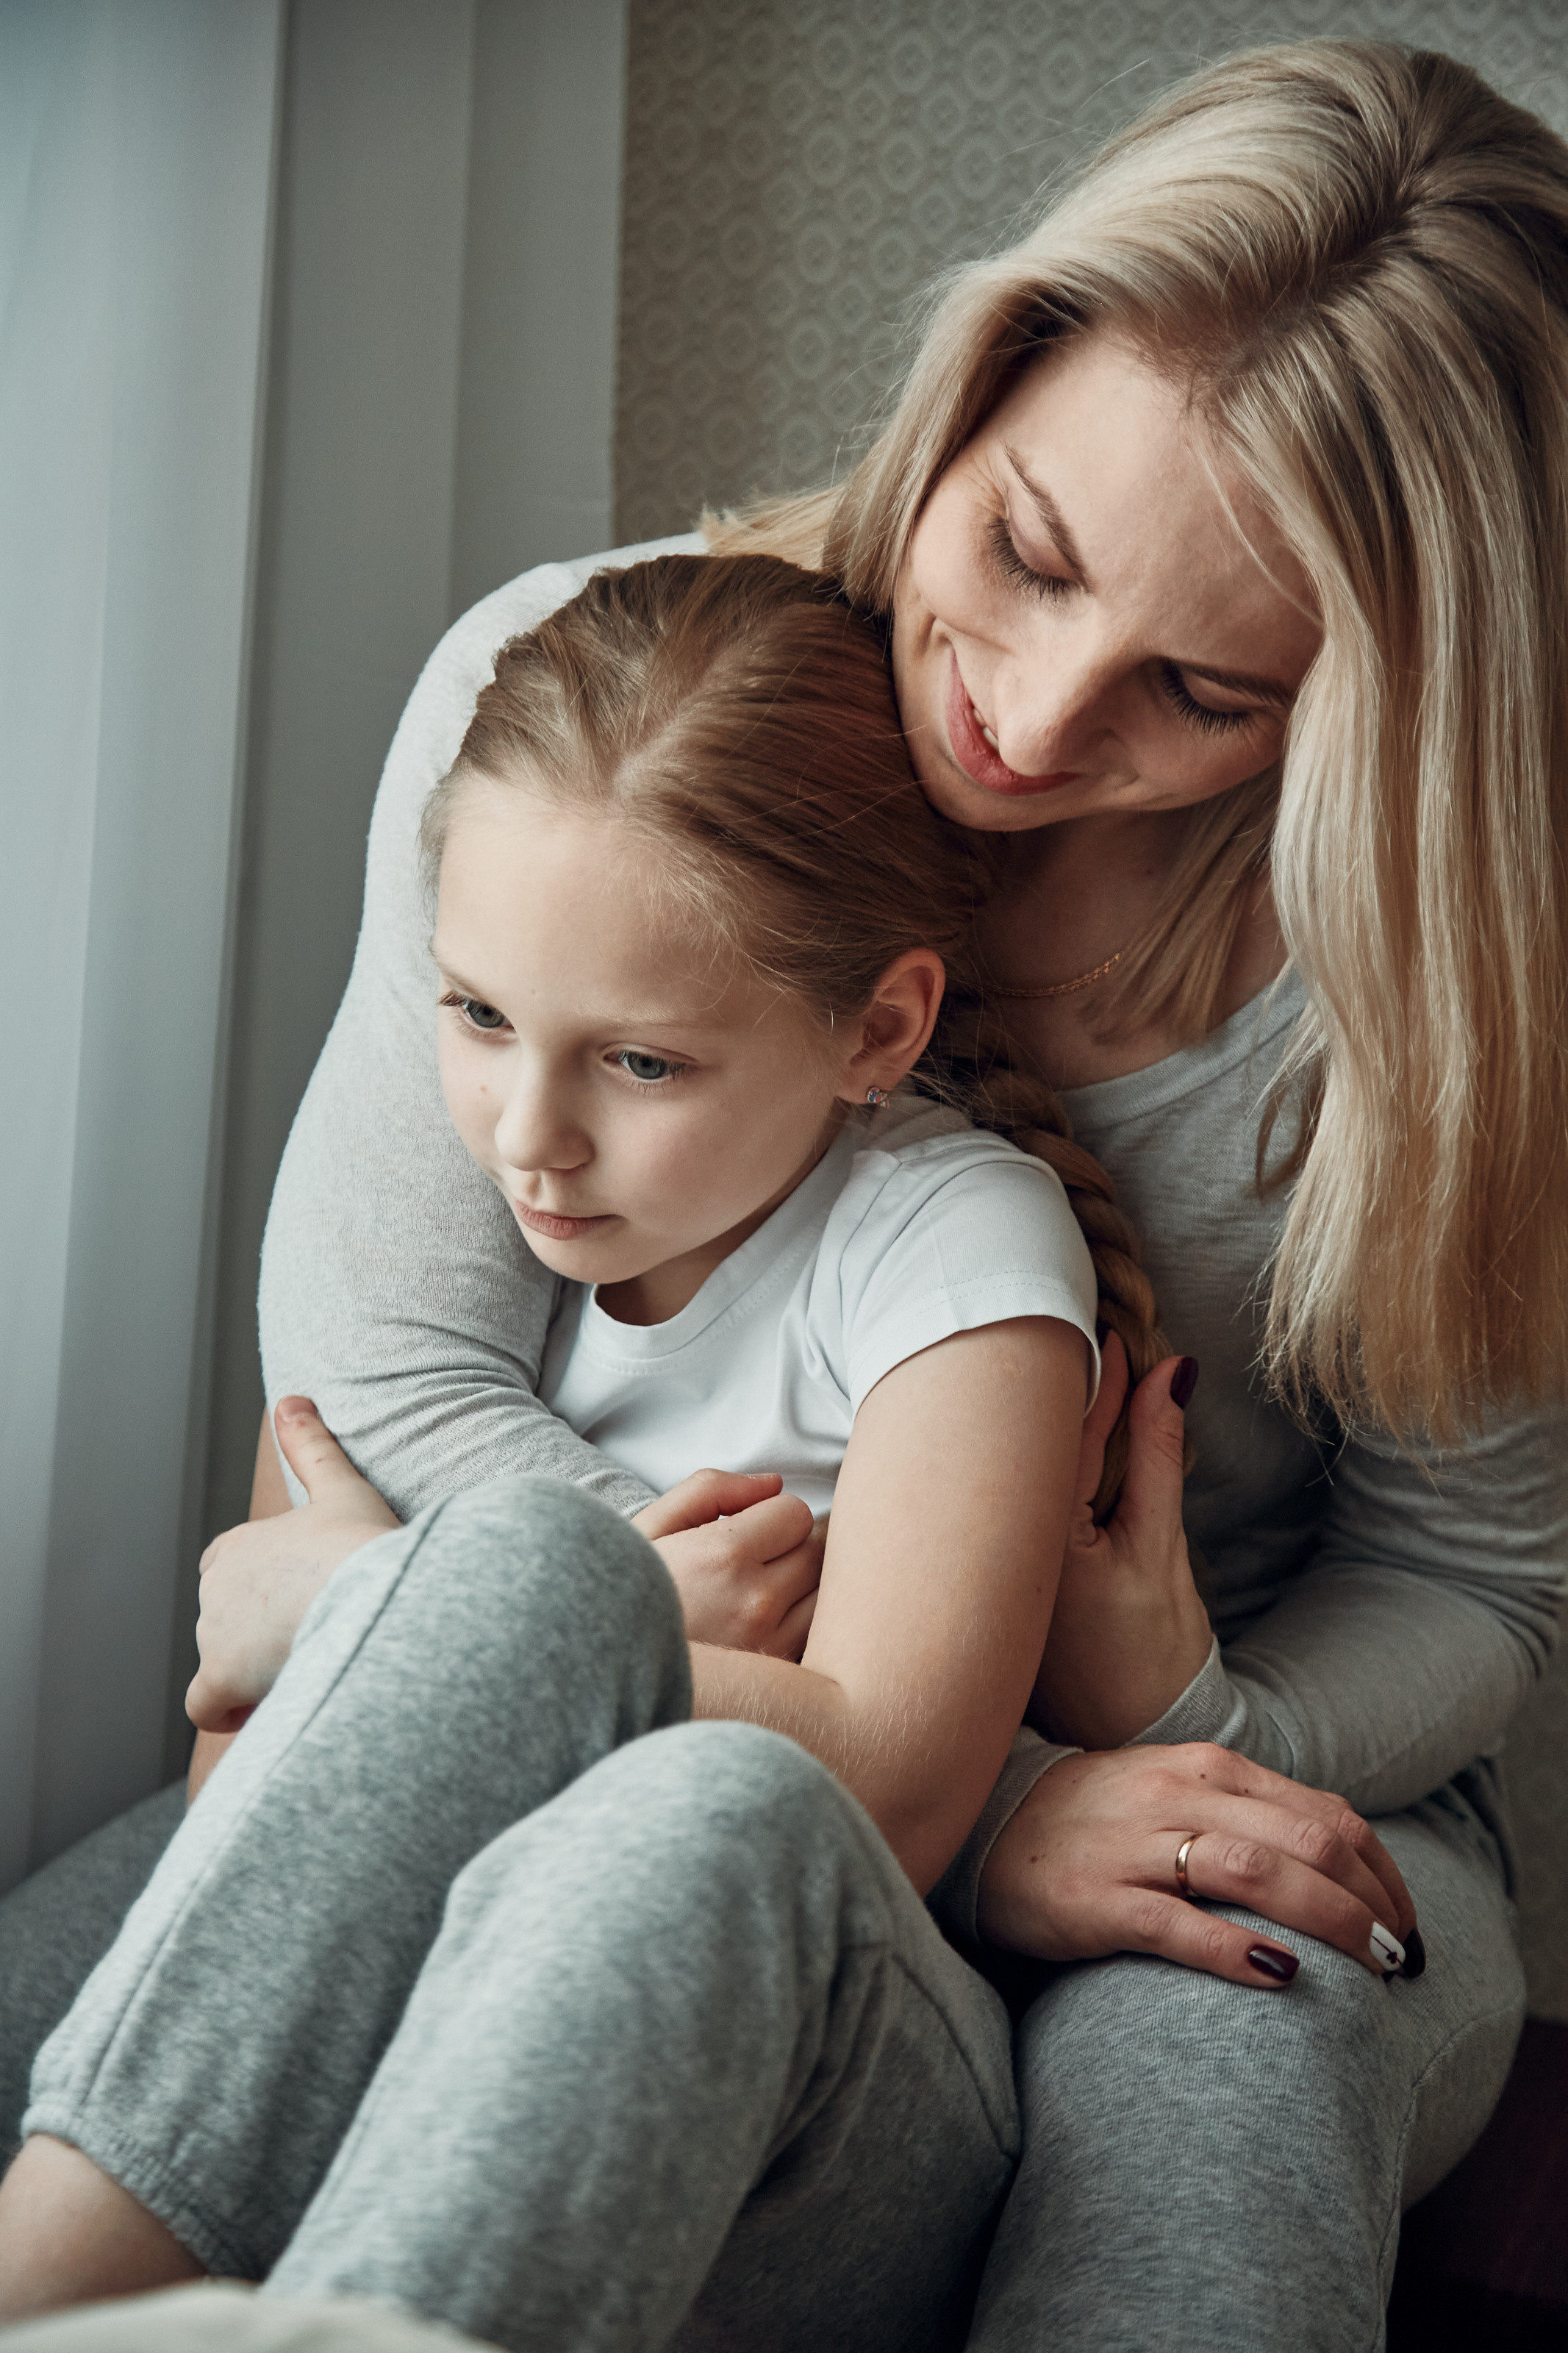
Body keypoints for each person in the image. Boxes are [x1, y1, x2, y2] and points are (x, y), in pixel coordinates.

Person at [1, 34, 1564, 2353]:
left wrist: (1142, 1753)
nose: (1037, 718)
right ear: (978, 376)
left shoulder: (1448, 971)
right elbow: (390, 1376)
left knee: (1207, 2081)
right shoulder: (592, 709)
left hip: (1223, 1789)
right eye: (1026, 553)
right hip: (671, 1709)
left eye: (1208, 693)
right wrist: (941, 1775)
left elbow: (1472, 1583)